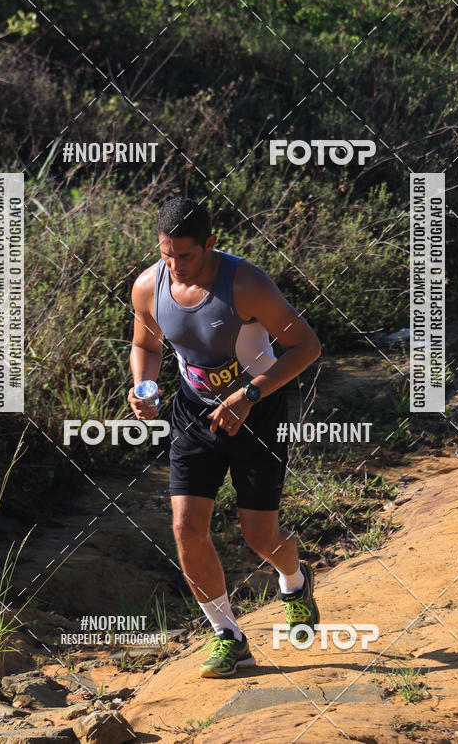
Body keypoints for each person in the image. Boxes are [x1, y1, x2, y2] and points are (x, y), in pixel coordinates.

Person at [128, 196, 322, 678]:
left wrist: (249, 395)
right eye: (166, 253)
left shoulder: (248, 284)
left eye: (186, 256)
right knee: (185, 526)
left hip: (258, 414)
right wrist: (143, 387)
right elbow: (145, 344)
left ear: (211, 244)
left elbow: (306, 346)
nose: (174, 265)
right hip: (194, 416)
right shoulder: (149, 286)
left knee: (260, 536)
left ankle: (294, 582)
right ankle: (227, 635)